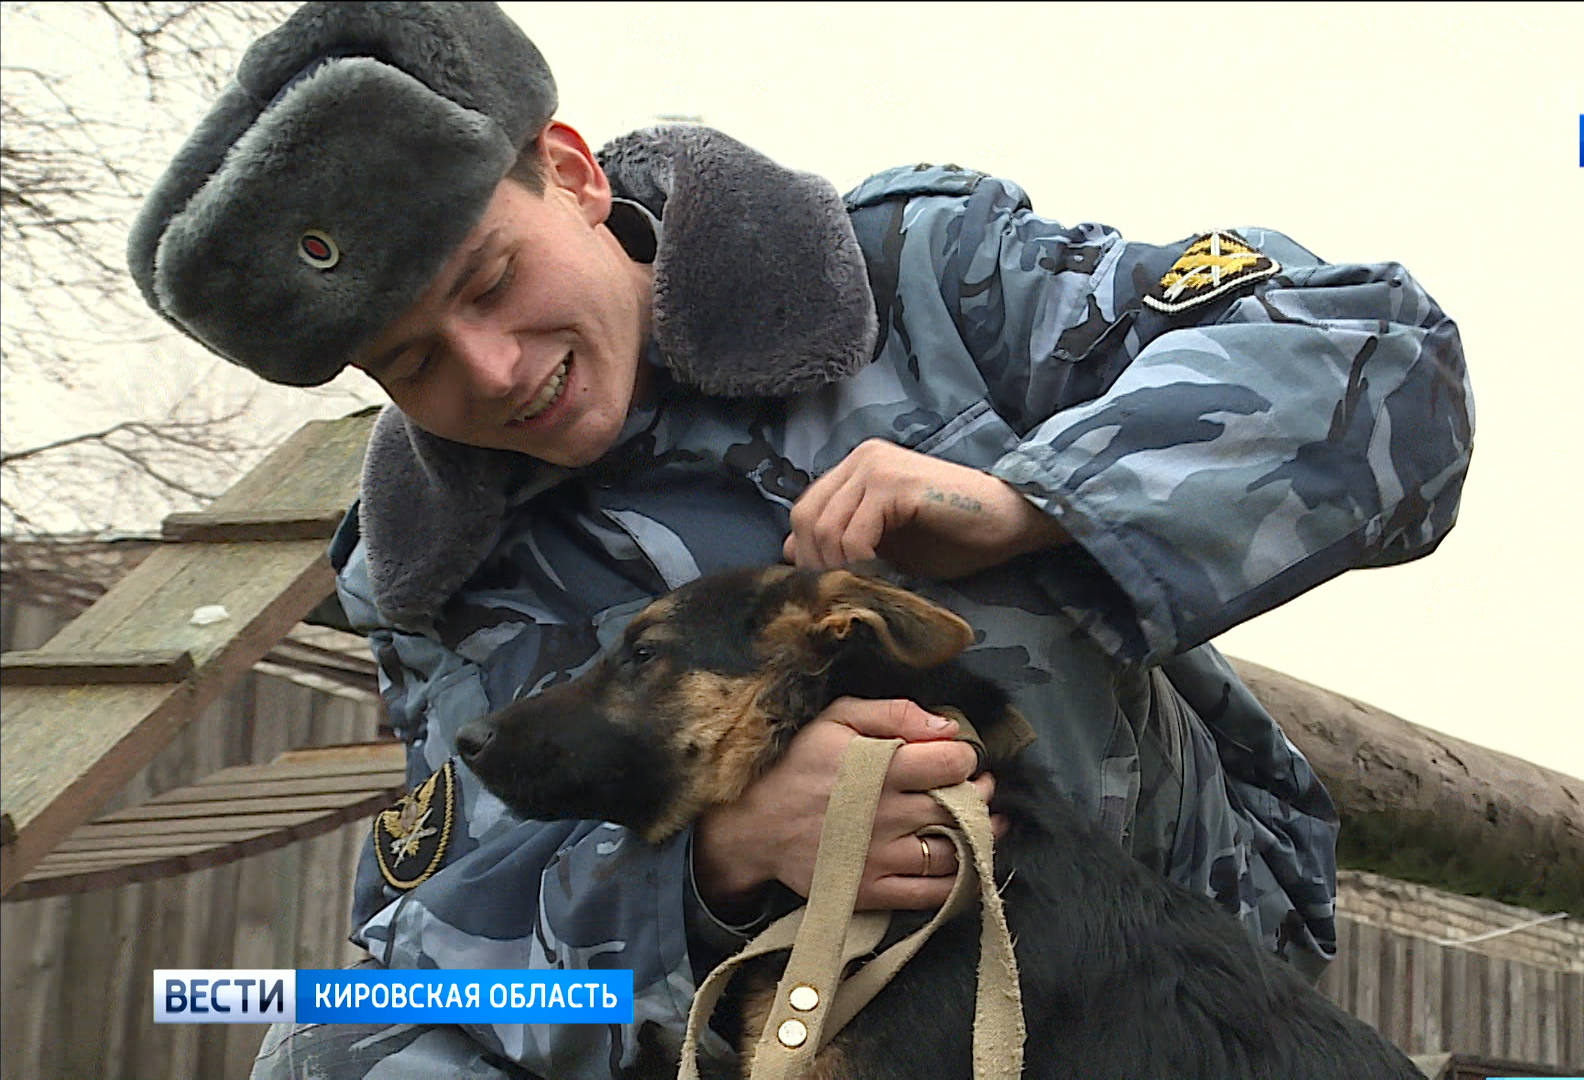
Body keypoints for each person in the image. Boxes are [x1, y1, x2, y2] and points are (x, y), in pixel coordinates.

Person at [128, 4, 1474, 1076]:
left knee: (959, 626)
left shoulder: (921, 277)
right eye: (410, 360)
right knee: (332, 1047)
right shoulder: (431, 579)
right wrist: (715, 867)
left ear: (572, 169)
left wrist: (1037, 500)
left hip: (1148, 982)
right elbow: (444, 947)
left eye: (489, 279)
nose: (490, 370)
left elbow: (1377, 355)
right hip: (764, 1021)